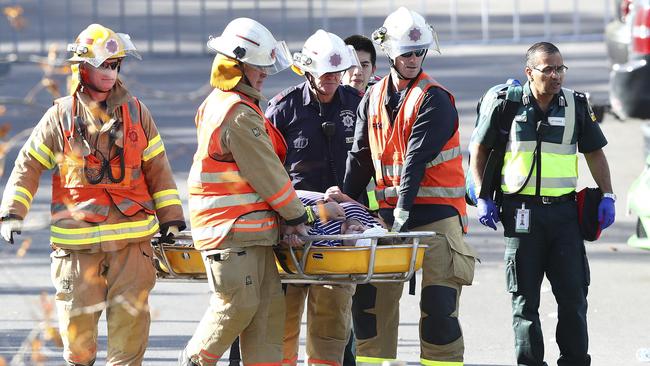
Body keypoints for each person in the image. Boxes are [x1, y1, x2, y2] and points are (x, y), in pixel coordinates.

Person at [0, 23, 185, 365]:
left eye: (115, 65)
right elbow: (28, 164)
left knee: (129, 340)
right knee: (78, 340)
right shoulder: (60, 116)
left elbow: (157, 167)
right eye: (103, 65)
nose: (110, 73)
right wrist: (12, 212)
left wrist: (171, 218)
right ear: (82, 68)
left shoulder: (137, 112)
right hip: (77, 247)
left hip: (132, 245)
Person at [341, 7, 478, 365]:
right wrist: (342, 201)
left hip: (437, 219)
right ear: (390, 53)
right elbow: (360, 158)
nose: (414, 59)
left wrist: (402, 210)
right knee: (369, 311)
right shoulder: (371, 98)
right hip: (389, 218)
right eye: (406, 53)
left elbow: (415, 158)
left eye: (419, 52)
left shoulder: (436, 98)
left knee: (439, 312)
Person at [469, 41, 615, 366]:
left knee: (574, 297)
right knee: (524, 301)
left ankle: (575, 361)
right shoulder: (506, 104)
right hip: (521, 215)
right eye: (547, 69)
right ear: (529, 72)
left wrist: (608, 194)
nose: (556, 75)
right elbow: (479, 150)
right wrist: (481, 196)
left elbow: (594, 152)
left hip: (564, 216)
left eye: (560, 68)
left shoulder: (576, 105)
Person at [179, 18, 309, 366]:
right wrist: (298, 215)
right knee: (237, 306)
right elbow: (267, 173)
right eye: (258, 66)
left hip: (251, 234)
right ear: (237, 66)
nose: (265, 73)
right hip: (230, 232)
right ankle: (194, 360)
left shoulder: (228, 104)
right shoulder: (236, 113)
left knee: (267, 315)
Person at [265, 30, 362, 366]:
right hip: (293, 230)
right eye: (325, 73)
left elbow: (371, 163)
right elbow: (265, 170)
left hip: (340, 229)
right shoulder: (283, 108)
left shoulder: (356, 104)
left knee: (332, 320)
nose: (332, 80)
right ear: (307, 71)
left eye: (337, 73)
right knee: (282, 321)